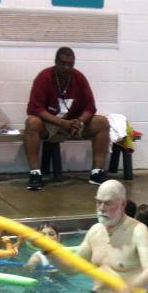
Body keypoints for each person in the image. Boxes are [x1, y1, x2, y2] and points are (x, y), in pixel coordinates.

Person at [24, 46, 111, 191]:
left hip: (74, 123)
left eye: (70, 64)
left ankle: (97, 173)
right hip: (51, 123)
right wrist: (61, 122)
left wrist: (80, 121)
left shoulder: (79, 78)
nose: (66, 67)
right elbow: (35, 108)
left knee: (102, 122)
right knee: (32, 123)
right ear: (56, 62)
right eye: (63, 63)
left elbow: (90, 108)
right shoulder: (44, 77)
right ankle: (35, 174)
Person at [73, 180, 148, 293]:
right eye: (98, 202)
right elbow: (72, 267)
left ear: (123, 205)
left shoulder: (138, 231)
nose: (101, 208)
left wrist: (130, 288)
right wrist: (48, 251)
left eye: (108, 203)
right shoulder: (95, 231)